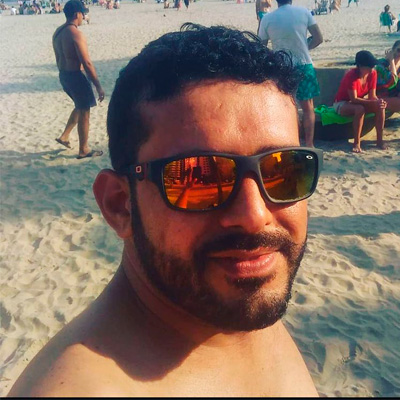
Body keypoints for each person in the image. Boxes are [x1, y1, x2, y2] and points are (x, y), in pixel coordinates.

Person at [8, 23, 323, 396]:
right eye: (198, 177)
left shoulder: (233, 298)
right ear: (119, 205)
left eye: (283, 169)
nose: (254, 216)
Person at [258, 0, 323, 147]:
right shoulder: (304, 12)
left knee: (287, 106)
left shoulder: (267, 18)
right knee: (308, 108)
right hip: (304, 63)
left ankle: (292, 142)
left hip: (282, 66)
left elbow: (261, 45)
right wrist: (305, 47)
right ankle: (309, 144)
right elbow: (319, 38)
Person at [53, 0, 104, 159]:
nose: (84, 17)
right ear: (77, 14)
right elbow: (86, 62)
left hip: (64, 76)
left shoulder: (58, 32)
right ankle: (84, 149)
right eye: (83, 14)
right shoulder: (76, 34)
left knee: (79, 105)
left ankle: (64, 136)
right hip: (76, 76)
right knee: (85, 111)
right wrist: (98, 86)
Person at [333, 50, 387, 153]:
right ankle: (356, 143)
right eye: (369, 66)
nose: (372, 68)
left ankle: (380, 140)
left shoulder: (373, 73)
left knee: (380, 107)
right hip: (342, 103)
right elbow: (354, 99)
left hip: (357, 101)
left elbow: (372, 96)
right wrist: (373, 103)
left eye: (373, 66)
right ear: (360, 66)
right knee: (359, 109)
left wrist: (378, 102)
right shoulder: (351, 76)